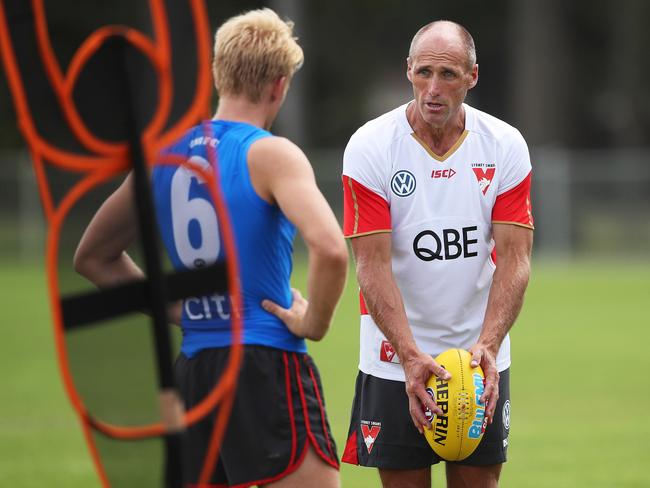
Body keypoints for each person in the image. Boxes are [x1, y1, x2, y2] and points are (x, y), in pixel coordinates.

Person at [74, 8, 348, 488]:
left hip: (194, 372)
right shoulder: (271, 153)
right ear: (279, 86)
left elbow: (92, 257)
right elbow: (330, 249)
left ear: (219, 74)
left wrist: (181, 309)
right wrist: (313, 323)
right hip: (264, 363)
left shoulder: (164, 156)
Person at [340, 20, 533, 488]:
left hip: (477, 355)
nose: (433, 88)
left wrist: (487, 345)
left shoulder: (504, 145)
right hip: (392, 355)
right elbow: (371, 263)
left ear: (473, 76)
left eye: (448, 74)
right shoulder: (371, 147)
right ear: (408, 70)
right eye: (423, 72)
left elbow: (515, 258)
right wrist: (408, 356)